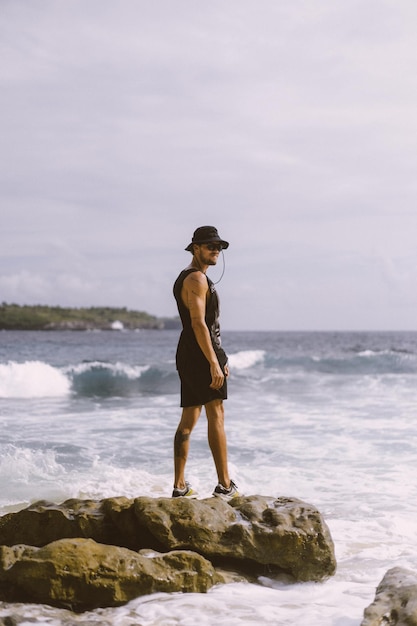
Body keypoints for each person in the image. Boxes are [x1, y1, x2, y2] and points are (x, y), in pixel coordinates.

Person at [172, 225, 238, 500]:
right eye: (210, 246)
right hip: (201, 353)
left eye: (219, 247)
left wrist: (216, 356)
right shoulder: (197, 279)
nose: (216, 251)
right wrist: (213, 361)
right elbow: (200, 323)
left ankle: (179, 486)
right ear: (195, 248)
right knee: (216, 415)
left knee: (189, 417)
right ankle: (225, 485)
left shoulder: (187, 278)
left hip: (190, 352)